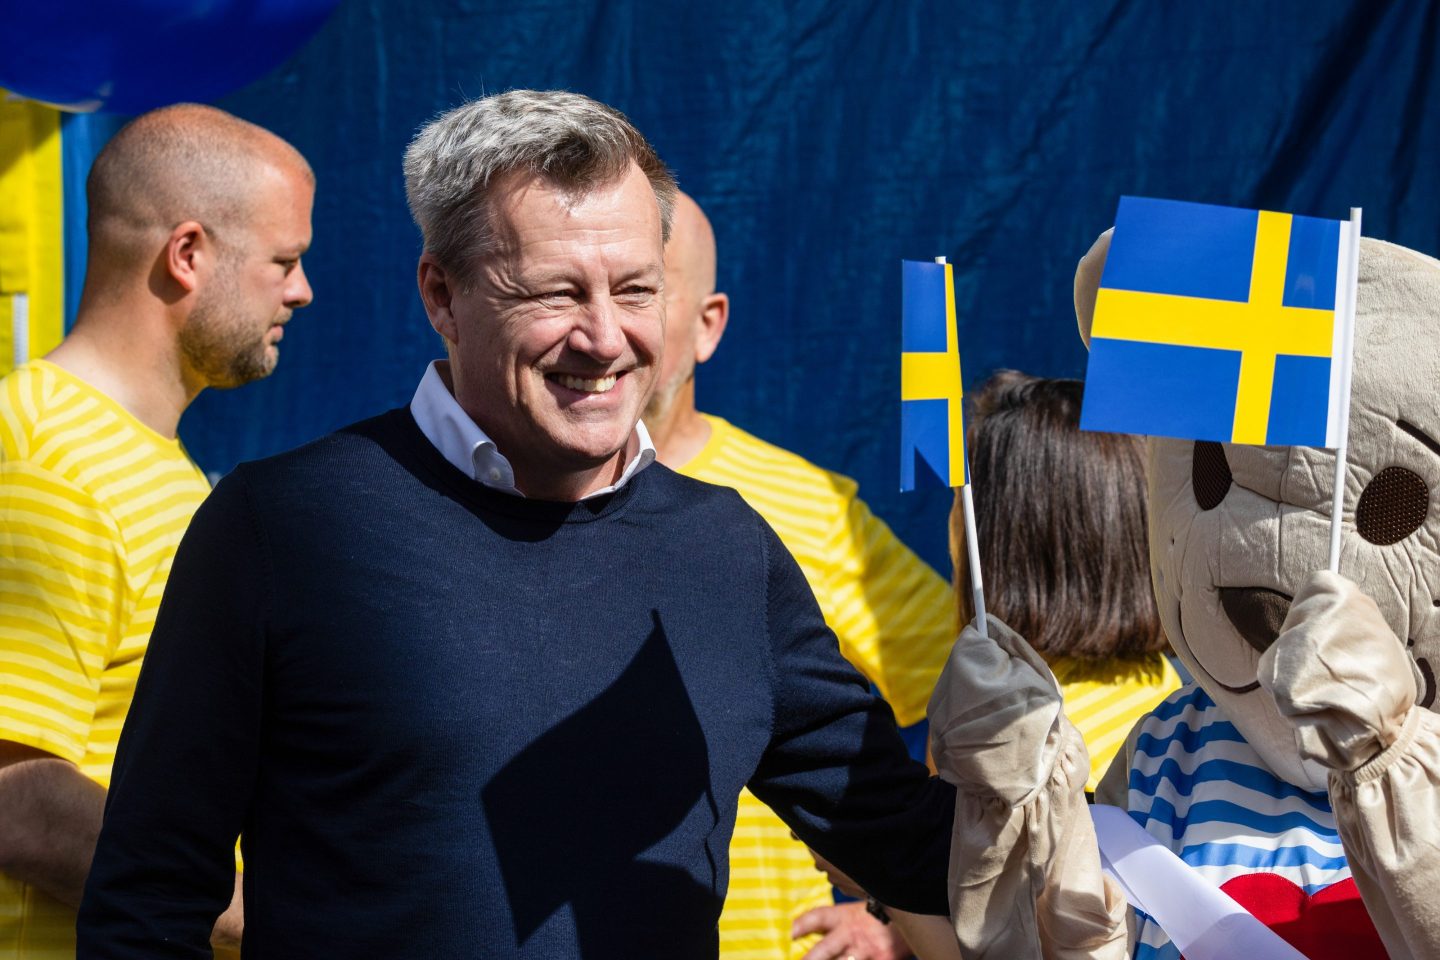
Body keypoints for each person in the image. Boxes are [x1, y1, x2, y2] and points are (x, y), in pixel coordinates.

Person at [76, 89, 953, 959]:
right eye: (557, 292)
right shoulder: (283, 527)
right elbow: (149, 898)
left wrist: (1042, 784)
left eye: (636, 290)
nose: (606, 338)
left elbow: (913, 843)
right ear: (441, 295)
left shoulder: (726, 549)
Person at [0, 103, 315, 959]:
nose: (302, 290)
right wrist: (277, 921)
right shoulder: (41, 459)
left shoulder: (153, 465)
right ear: (187, 255)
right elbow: (14, 796)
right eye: (285, 261)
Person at [645, 192, 957, 960]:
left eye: (642, 288)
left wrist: (888, 912)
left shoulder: (807, 508)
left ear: (708, 322)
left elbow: (984, 696)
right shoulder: (505, 498)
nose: (607, 324)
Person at [957, 370, 1180, 794]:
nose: (952, 521)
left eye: (965, 500)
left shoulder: (1010, 748)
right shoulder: (1183, 704)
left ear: (1009, 539)